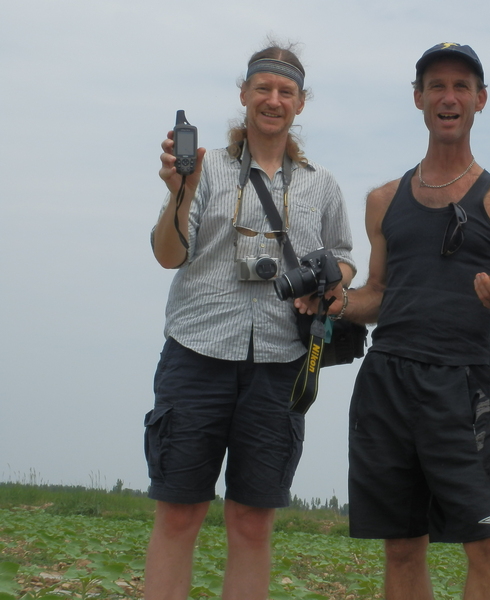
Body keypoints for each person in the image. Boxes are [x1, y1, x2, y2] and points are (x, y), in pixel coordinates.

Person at [143, 43, 355, 600]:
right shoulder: (204, 168)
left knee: (252, 522)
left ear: (301, 103)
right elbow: (168, 254)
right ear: (243, 95)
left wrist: (334, 283)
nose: (273, 99)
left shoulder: (323, 185)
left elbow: (345, 256)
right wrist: (178, 194)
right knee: (179, 514)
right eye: (263, 87)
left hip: (281, 363)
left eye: (286, 91)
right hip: (196, 353)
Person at [338, 43, 490, 600]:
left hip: (465, 383)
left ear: (480, 100)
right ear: (418, 99)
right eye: (435, 86)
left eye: (460, 87)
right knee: (402, 545)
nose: (448, 97)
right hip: (388, 383)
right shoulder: (384, 199)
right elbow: (377, 294)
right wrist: (335, 302)